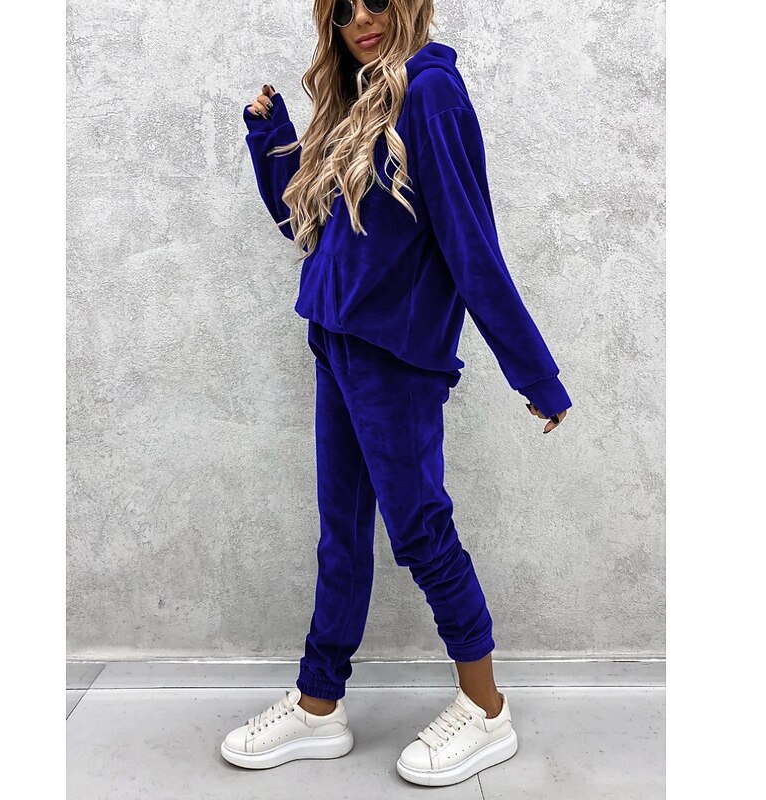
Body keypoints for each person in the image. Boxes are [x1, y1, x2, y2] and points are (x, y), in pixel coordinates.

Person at [220, 0, 572, 787]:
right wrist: (270, 138)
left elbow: (471, 244)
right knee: (341, 535)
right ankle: (319, 705)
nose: (361, 18)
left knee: (420, 532)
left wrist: (534, 373)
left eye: (376, 0)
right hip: (335, 342)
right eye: (343, 8)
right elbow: (307, 226)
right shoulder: (358, 96)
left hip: (397, 359)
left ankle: (486, 709)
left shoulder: (432, 93)